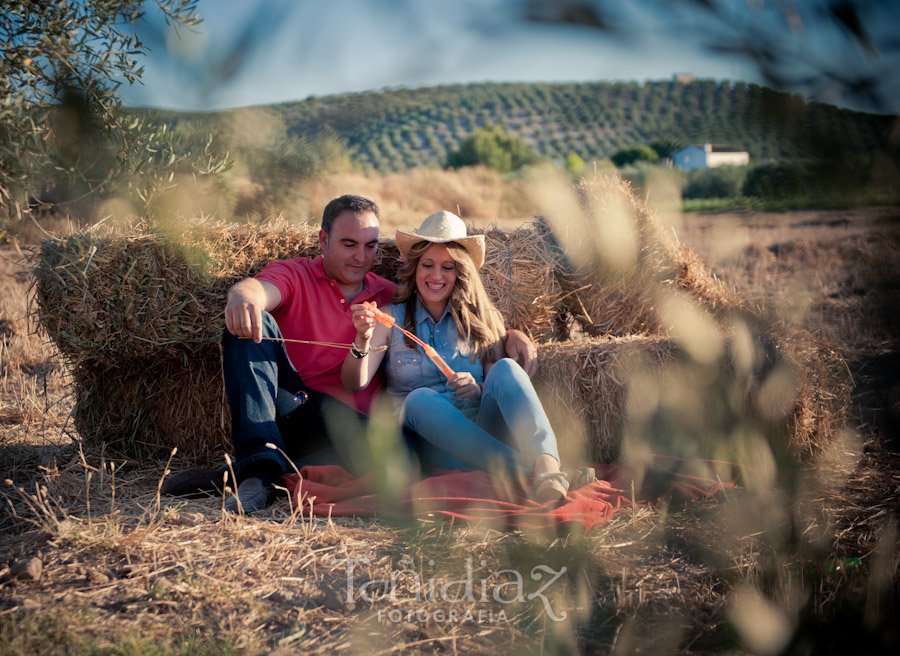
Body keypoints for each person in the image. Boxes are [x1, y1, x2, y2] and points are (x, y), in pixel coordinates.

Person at [163, 195, 539, 512]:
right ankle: (255, 477)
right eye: (349, 244)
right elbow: (260, 292)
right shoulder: (294, 274)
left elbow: (444, 301)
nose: (362, 256)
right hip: (292, 404)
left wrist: (510, 334)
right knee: (250, 327)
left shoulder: (388, 295)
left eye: (371, 245)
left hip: (351, 425)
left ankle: (240, 473)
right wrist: (243, 296)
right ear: (323, 238)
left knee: (407, 453)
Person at [342, 210, 576, 502]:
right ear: (415, 268)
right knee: (419, 399)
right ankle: (531, 472)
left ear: (461, 271)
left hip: (485, 431)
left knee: (505, 368)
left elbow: (500, 386)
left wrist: (476, 389)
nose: (436, 275)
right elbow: (354, 383)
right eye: (427, 264)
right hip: (432, 445)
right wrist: (362, 338)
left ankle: (546, 467)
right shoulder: (390, 320)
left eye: (448, 267)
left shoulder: (483, 318)